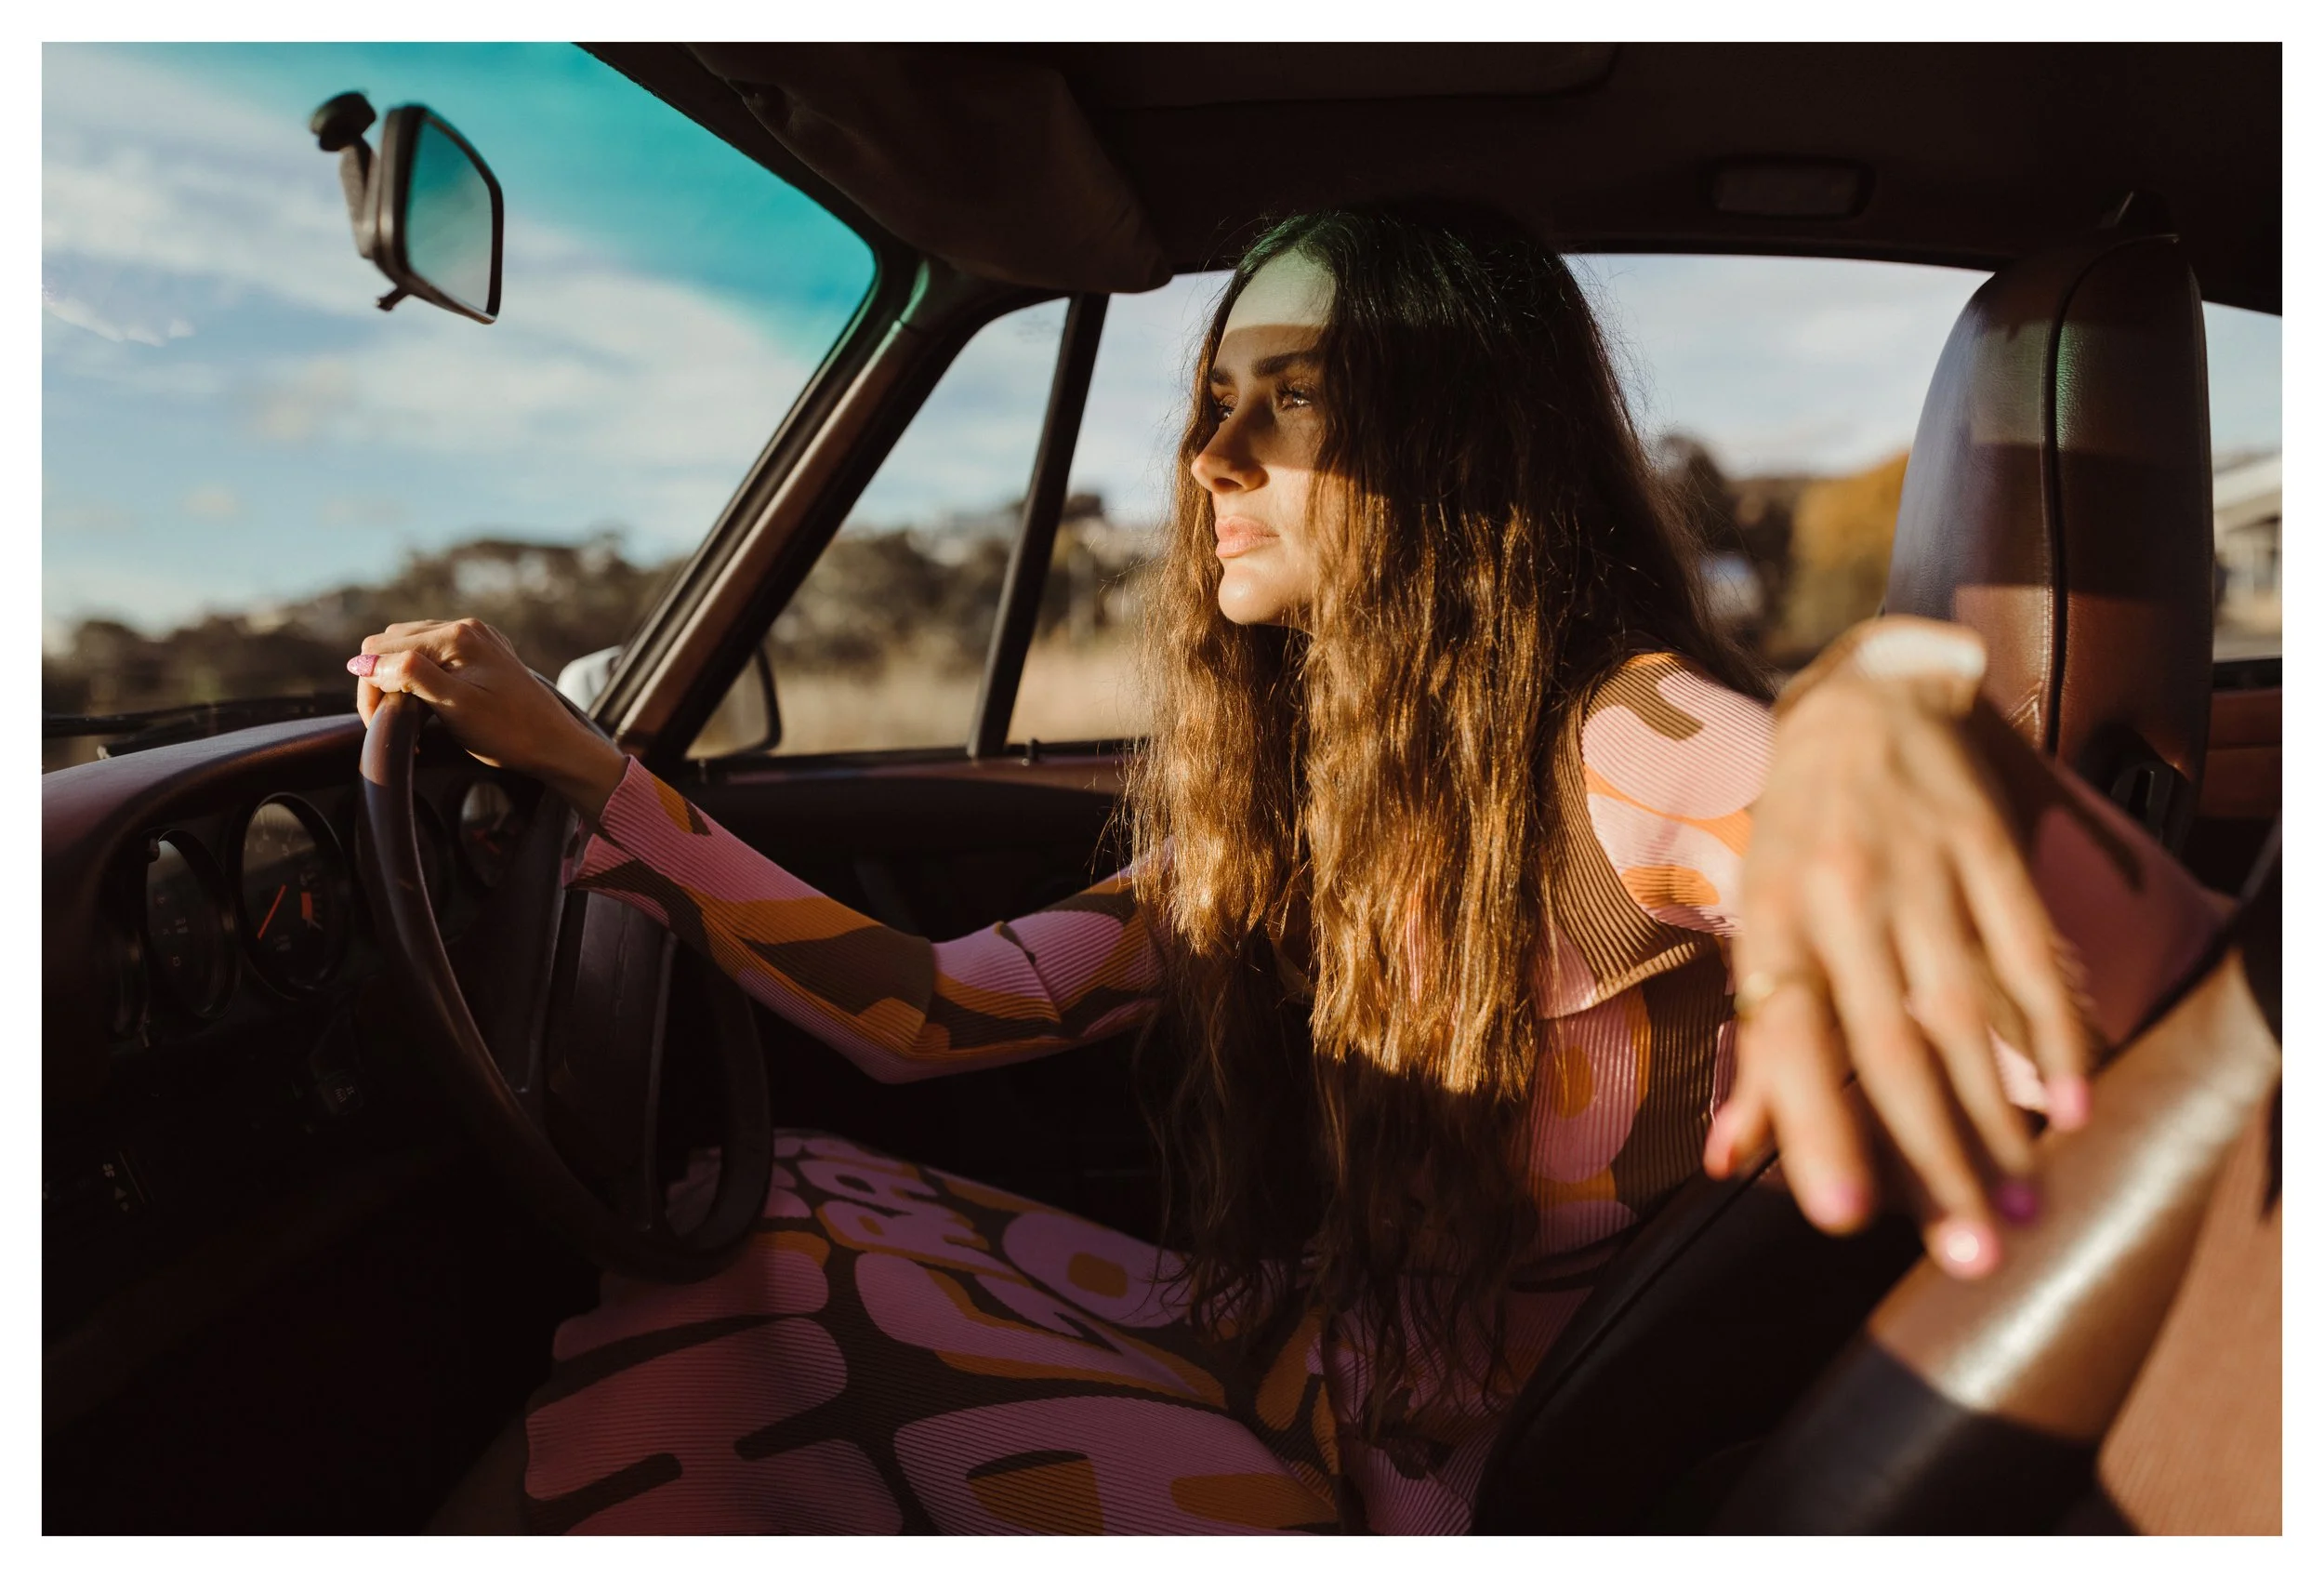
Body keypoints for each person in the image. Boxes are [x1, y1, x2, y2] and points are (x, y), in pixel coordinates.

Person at [350, 204, 2223, 1534]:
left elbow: (2205, 1031)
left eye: (1288, 395)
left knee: (786, 1305)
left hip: (1452, 1488)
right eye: (1208, 398)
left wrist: (1885, 713)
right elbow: (928, 1016)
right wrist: (590, 770)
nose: (1204, 456)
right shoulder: (1334, 789)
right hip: (1313, 1371)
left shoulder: (1631, 742)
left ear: (1451, 442)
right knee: (773, 1204)